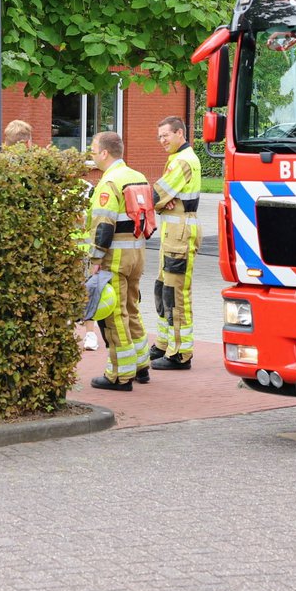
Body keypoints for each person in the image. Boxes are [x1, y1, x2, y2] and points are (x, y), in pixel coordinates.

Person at [84, 131, 152, 391]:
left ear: (104, 153)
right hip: (137, 254)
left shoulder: (108, 182)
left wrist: (95, 259)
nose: (91, 154)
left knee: (115, 315)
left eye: (93, 149)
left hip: (115, 257)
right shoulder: (138, 176)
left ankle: (120, 376)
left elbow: (103, 225)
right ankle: (141, 365)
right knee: (132, 309)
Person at [150, 116, 202, 370]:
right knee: (163, 288)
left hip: (180, 234)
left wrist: (161, 200)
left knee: (176, 294)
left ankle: (180, 353)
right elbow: (162, 198)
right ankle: (163, 343)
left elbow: (156, 195)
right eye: (159, 136)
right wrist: (163, 201)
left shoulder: (183, 161)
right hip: (172, 232)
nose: (162, 141)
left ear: (180, 133)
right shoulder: (177, 159)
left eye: (166, 135)